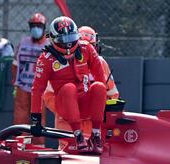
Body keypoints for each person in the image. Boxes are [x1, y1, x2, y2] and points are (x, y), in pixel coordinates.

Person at [30, 16, 107, 154]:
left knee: (99, 86)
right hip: (64, 107)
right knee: (69, 88)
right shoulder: (46, 59)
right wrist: (36, 119)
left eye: (71, 38)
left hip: (85, 103)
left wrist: (105, 107)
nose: (68, 45)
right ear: (52, 39)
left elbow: (101, 78)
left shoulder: (86, 48)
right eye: (63, 40)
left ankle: (96, 134)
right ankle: (78, 136)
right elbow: (37, 89)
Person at [43, 25, 120, 142]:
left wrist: (97, 109)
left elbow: (112, 94)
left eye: (91, 47)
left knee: (92, 155)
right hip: (67, 124)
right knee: (68, 153)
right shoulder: (60, 62)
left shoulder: (101, 64)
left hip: (92, 123)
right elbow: (48, 96)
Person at [12, 13, 49, 145]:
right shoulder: (23, 42)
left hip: (40, 89)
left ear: (44, 27)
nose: (35, 28)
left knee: (38, 119)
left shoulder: (49, 45)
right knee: (20, 119)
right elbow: (15, 65)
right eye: (33, 26)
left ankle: (38, 145)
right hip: (23, 86)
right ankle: (21, 145)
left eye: (38, 26)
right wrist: (16, 84)